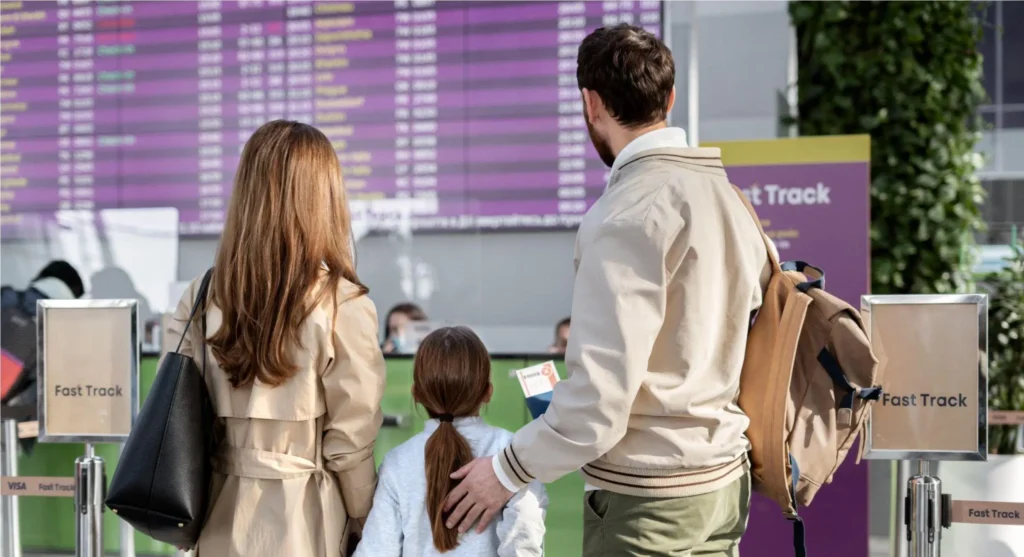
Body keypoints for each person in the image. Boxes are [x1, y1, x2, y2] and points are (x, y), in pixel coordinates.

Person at [443, 24, 771, 557]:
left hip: (649, 503)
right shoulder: (730, 199)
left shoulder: (626, 216)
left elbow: (598, 402)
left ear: (591, 103)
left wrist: (504, 471)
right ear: (669, 98)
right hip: (723, 486)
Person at [167, 120, 386, 557]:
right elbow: (349, 444)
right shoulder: (342, 302)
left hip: (216, 517)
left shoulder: (202, 293)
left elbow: (179, 408)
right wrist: (367, 520)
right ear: (323, 197)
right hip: (305, 519)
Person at [355, 326, 546, 557]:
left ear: (416, 393)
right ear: (488, 392)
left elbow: (377, 550)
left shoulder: (398, 461)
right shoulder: (512, 453)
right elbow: (525, 534)